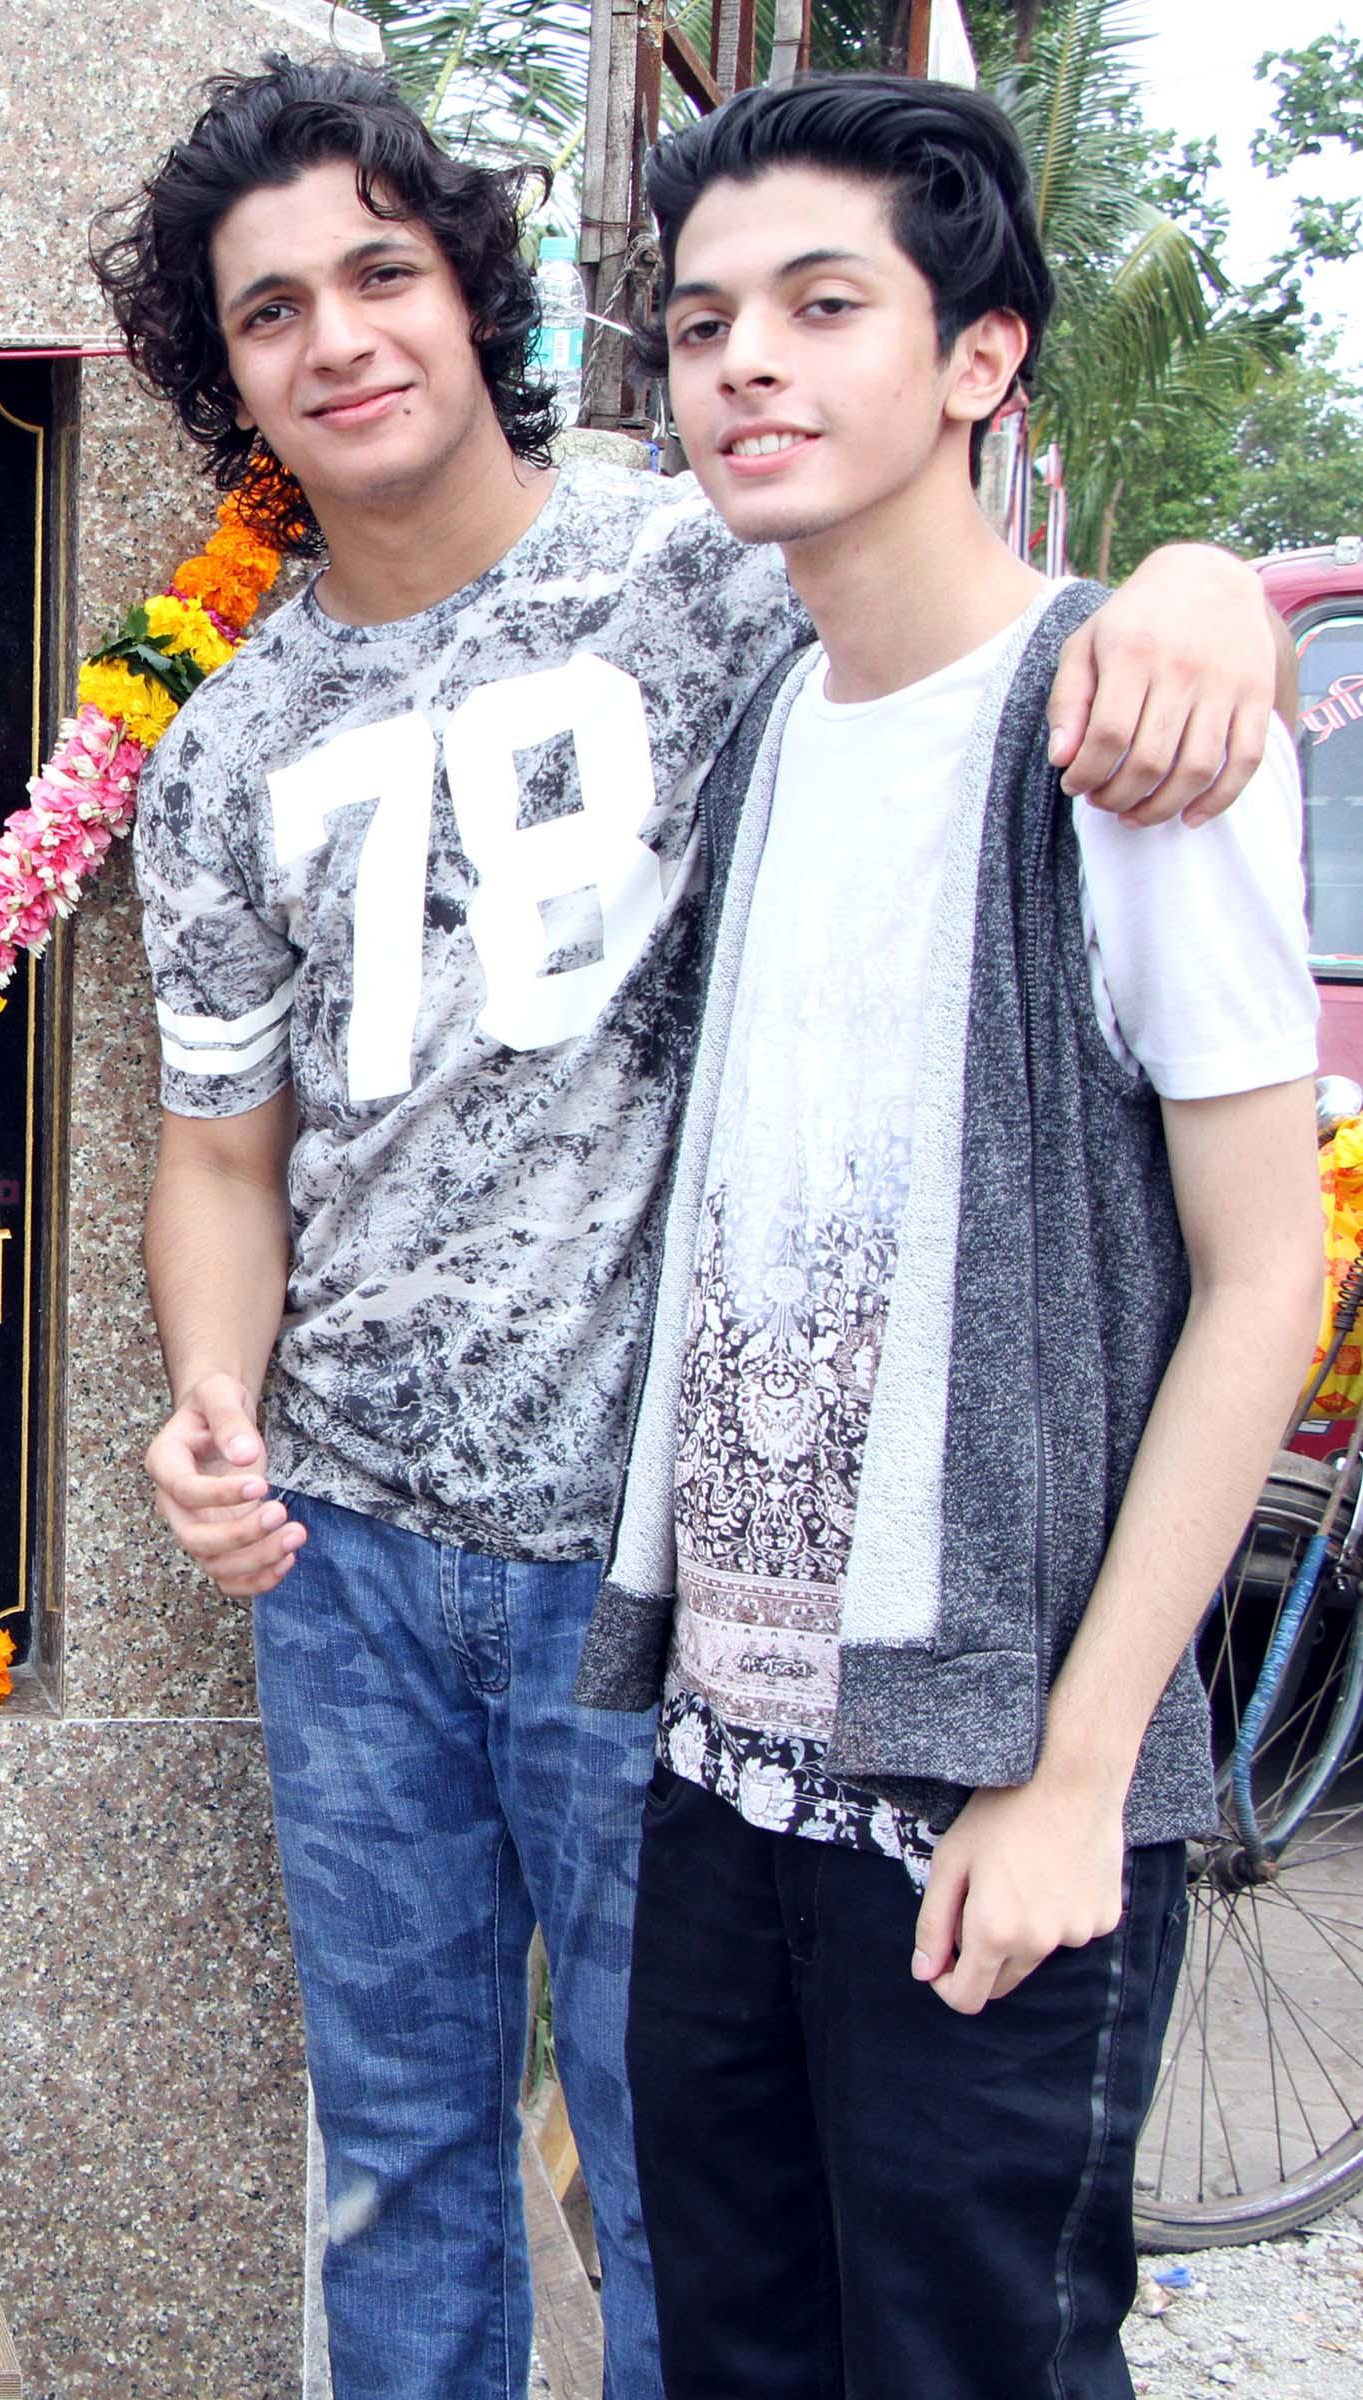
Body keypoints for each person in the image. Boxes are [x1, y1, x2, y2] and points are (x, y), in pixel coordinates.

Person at [94, 54, 1293, 2400]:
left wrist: (1203, 582)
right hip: (346, 1566)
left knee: (685, 2193)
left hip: (662, 1591)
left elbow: (986, 612)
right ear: (216, 378)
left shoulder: (700, 564)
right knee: (402, 2151)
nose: (336, 338)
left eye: (379, 274)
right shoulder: (220, 744)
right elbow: (217, 1152)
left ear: (476, 298)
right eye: (267, 314)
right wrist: (211, 1393)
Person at [583, 76, 1318, 2398]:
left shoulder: (1116, 740)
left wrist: (1080, 1768)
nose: (747, 367)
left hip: (986, 1776)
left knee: (971, 2356)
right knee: (728, 2347)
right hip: (728, 1762)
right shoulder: (771, 710)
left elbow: (1262, 1272)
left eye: (823, 306)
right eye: (701, 322)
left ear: (977, 360)